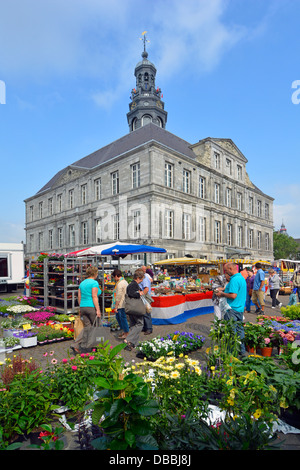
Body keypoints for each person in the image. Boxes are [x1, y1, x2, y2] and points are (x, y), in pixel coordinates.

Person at [215, 262, 247, 356]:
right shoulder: (241, 278)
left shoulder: (234, 280)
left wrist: (222, 294)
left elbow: (233, 295)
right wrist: (224, 290)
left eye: (226, 270)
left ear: (230, 269)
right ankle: (242, 350)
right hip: (240, 308)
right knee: (240, 330)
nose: (226, 272)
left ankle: (232, 353)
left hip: (232, 309)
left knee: (231, 331)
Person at [71, 266, 101, 354]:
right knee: (98, 327)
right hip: (91, 307)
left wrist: (80, 308)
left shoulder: (82, 283)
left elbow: (79, 297)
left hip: (83, 307)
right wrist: (98, 310)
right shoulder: (94, 283)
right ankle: (98, 347)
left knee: (87, 328)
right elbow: (94, 296)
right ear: (95, 273)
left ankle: (76, 344)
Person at [124, 270, 146, 351]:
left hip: (131, 307)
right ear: (138, 278)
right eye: (142, 279)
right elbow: (131, 293)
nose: (142, 281)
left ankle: (133, 344)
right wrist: (139, 293)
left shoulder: (131, 284)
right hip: (136, 307)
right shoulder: (133, 284)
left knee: (133, 325)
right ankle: (129, 339)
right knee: (140, 324)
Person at [111, 269, 129, 339]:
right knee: (122, 318)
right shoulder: (124, 281)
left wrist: (116, 306)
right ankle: (125, 332)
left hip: (121, 304)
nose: (114, 279)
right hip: (124, 302)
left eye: (114, 277)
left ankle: (126, 333)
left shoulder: (120, 284)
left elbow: (118, 296)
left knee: (122, 318)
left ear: (116, 276)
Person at [139, 266, 153, 335]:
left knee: (147, 313)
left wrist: (141, 293)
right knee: (144, 313)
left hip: (145, 297)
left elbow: (146, 289)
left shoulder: (144, 278)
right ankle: (145, 327)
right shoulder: (144, 277)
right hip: (144, 297)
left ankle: (149, 329)